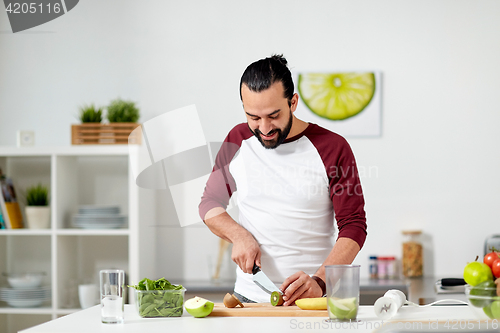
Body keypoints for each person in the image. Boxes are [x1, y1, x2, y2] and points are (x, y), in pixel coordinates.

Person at [199, 55, 367, 305]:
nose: (264, 128)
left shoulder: (332, 147)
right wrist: (239, 235)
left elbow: (354, 226)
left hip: (312, 299)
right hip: (248, 298)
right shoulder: (237, 138)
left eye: (273, 115)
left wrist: (320, 281)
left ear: (293, 102)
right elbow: (209, 203)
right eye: (253, 117)